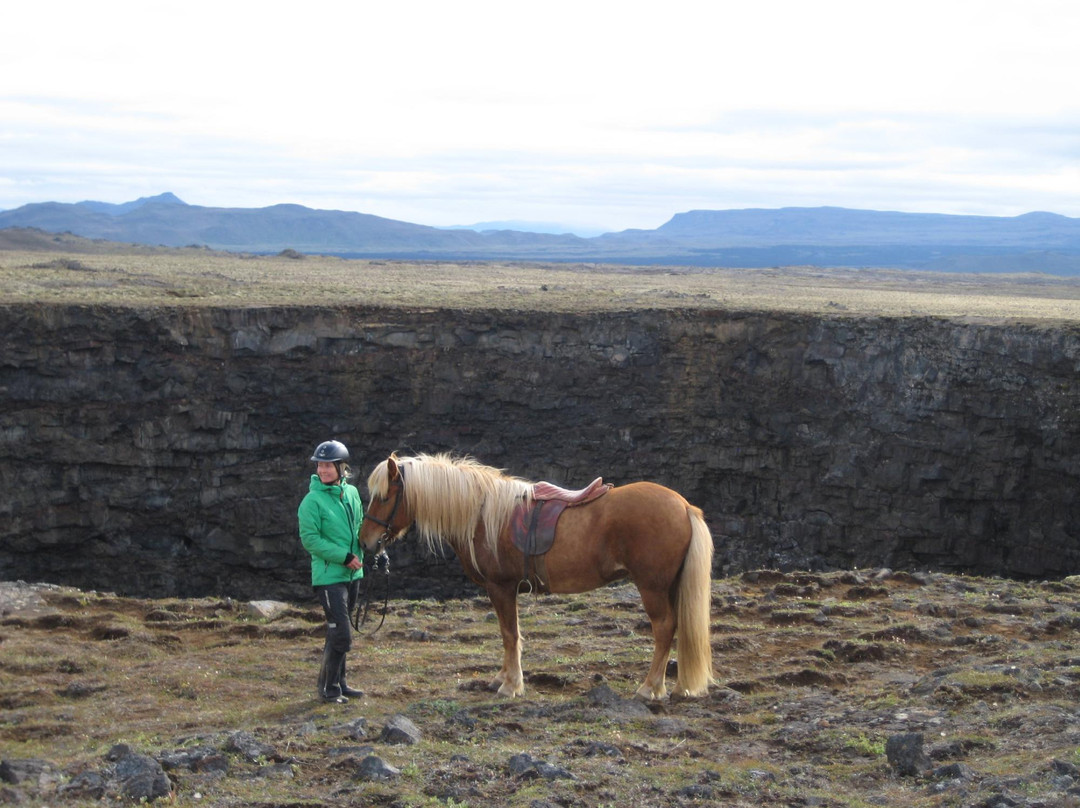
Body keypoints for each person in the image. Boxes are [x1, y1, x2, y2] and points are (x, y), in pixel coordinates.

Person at [297, 439, 365, 703]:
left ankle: (339, 684)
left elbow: (359, 529)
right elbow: (310, 540)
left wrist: (378, 551)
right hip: (329, 577)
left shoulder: (352, 494)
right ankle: (328, 689)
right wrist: (344, 557)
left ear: (341, 467)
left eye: (328, 465)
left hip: (353, 575)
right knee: (342, 635)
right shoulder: (311, 502)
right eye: (320, 465)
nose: (323, 470)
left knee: (339, 632)